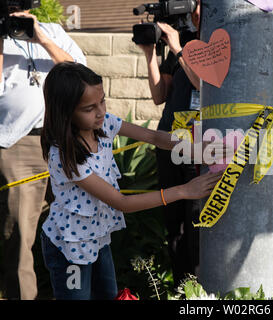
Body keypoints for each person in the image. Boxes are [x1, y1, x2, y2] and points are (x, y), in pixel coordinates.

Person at [39, 61, 222, 300]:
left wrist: (196, 148)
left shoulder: (104, 123)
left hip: (97, 238)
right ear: (65, 111)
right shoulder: (66, 155)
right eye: (89, 108)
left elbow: (154, 136)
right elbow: (121, 202)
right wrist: (183, 191)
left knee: (108, 294)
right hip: (69, 249)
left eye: (102, 101)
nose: (101, 111)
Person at [0, 9, 85, 300]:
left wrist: (41, 38)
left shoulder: (51, 30)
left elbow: (81, 75)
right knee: (19, 238)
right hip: (18, 144)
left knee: (73, 230)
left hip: (62, 142)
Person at [137, 0, 202, 287]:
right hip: (169, 141)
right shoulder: (181, 41)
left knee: (196, 221)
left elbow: (205, 84)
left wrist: (178, 48)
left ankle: (200, 290)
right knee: (173, 224)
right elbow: (159, 94)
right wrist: (150, 53)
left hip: (200, 145)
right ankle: (180, 288)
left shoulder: (212, 42)